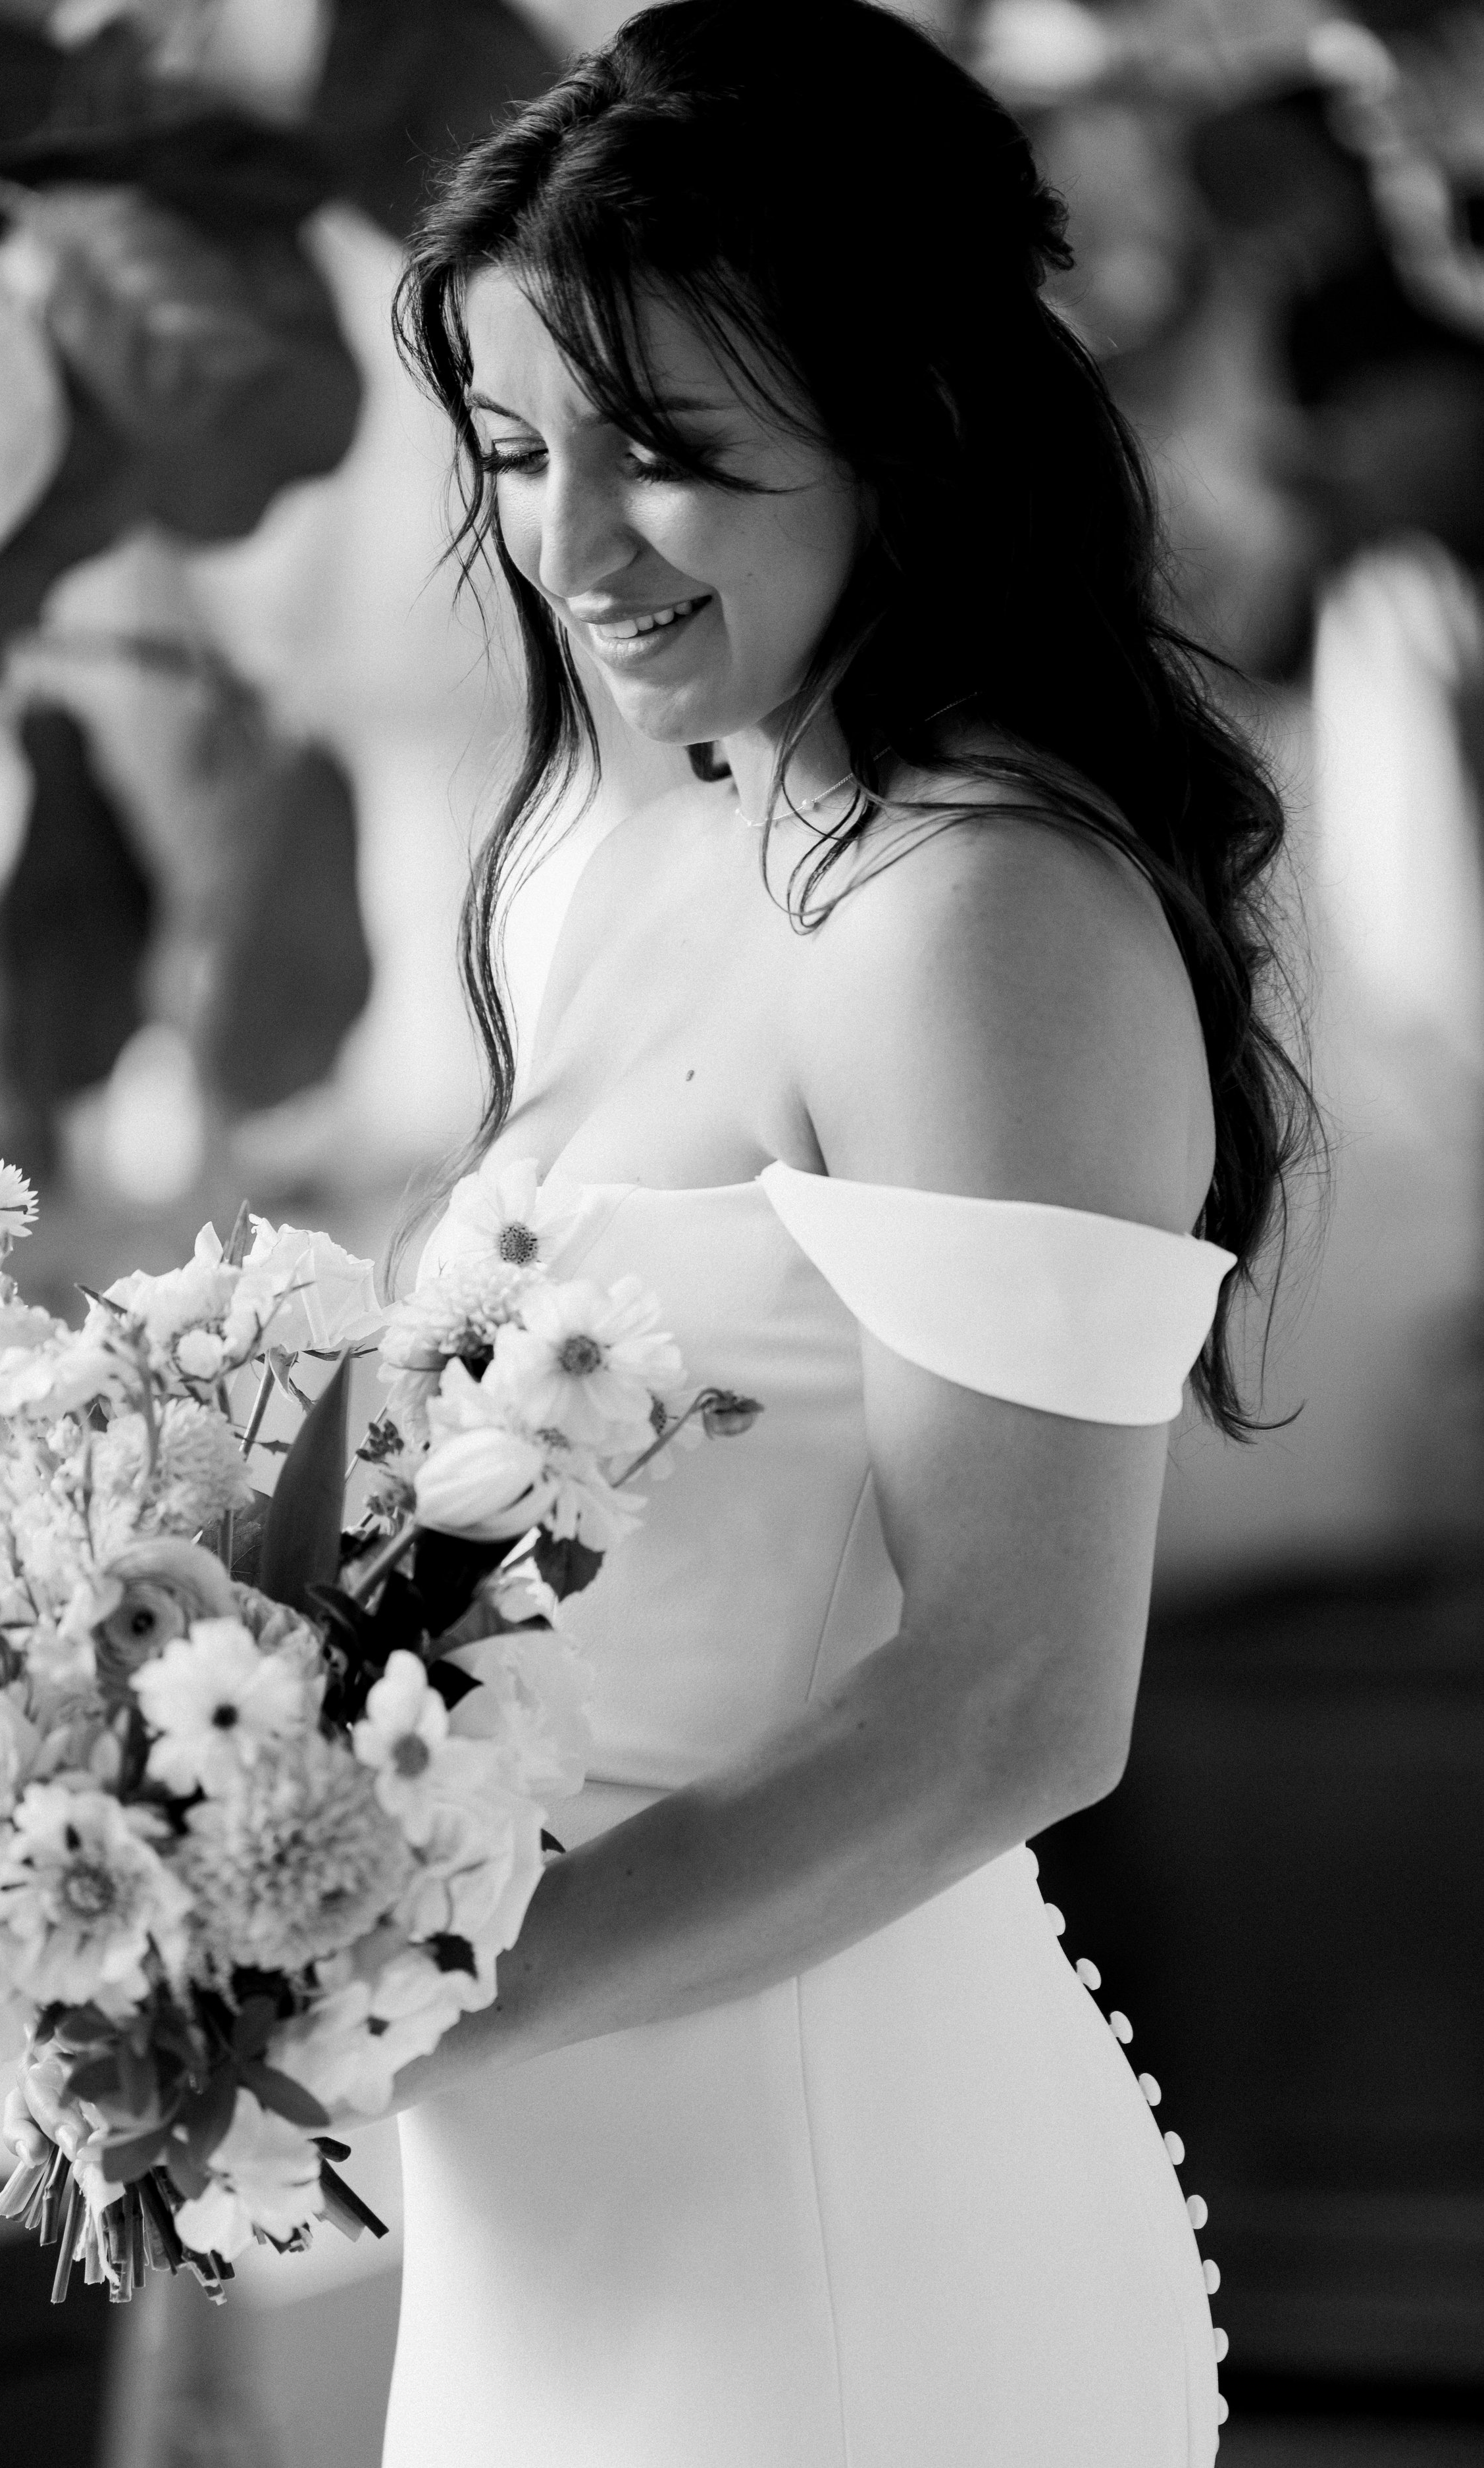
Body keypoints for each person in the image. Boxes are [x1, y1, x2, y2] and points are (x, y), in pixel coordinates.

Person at [379, 5, 1314, 2460]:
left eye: (668, 457)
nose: (571, 547)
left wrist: (413, 1999)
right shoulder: (650, 844)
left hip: (814, 2212)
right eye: (513, 451)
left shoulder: (976, 908)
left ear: (904, 422)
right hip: (555, 2197)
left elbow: (1017, 1699)